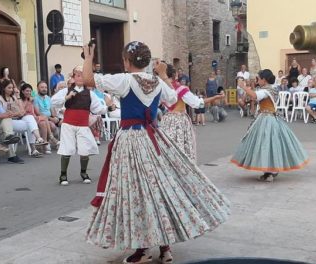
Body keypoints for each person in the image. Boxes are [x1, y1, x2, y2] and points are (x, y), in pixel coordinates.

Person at [83, 41, 230, 264]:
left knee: (136, 193)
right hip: (154, 139)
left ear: (127, 61)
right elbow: (172, 99)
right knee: (158, 189)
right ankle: (165, 248)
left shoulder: (125, 80)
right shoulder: (157, 83)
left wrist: (88, 57)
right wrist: (162, 75)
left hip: (131, 140)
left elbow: (88, 80)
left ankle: (142, 250)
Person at [231, 69, 308, 182]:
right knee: (268, 144)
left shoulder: (266, 91)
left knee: (266, 145)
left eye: (258, 78)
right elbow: (254, 96)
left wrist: (243, 86)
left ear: (264, 80)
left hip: (267, 119)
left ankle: (270, 171)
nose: (257, 80)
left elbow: (255, 96)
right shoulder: (269, 89)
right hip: (267, 118)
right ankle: (270, 171)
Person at [51, 66, 111, 186]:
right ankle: (63, 174)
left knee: (85, 150)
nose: (80, 78)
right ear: (73, 78)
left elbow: (97, 108)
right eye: (77, 75)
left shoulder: (90, 94)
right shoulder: (66, 91)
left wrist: (108, 108)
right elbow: (53, 101)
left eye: (82, 75)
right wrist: (66, 98)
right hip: (68, 124)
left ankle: (83, 173)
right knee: (67, 149)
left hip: (83, 125)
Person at [162, 64, 223, 162]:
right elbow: (197, 103)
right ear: (175, 74)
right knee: (182, 148)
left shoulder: (162, 88)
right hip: (179, 120)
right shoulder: (181, 89)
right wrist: (215, 97)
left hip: (167, 120)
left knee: (167, 148)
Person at [0, 79, 48, 157]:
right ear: (4, 88)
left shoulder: (14, 98)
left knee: (30, 119)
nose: (11, 90)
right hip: (5, 122)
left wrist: (14, 111)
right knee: (30, 122)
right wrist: (15, 113)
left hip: (15, 120)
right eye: (9, 88)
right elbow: (1, 114)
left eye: (12, 88)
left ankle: (37, 142)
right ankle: (35, 146)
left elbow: (22, 112)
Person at [20, 82, 59, 154]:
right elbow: (25, 112)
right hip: (29, 118)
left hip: (37, 117)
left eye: (30, 91)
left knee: (45, 121)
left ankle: (46, 142)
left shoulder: (45, 98)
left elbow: (51, 110)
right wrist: (30, 101)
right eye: (27, 91)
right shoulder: (29, 99)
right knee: (45, 120)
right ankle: (49, 140)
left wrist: (55, 117)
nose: (29, 92)